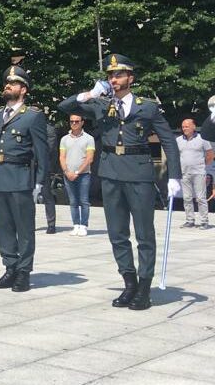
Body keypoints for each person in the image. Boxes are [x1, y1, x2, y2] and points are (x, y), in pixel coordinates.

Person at [59, 54, 181, 310]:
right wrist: (88, 95)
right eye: (111, 75)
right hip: (111, 173)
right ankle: (129, 283)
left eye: (119, 75)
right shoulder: (101, 105)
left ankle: (144, 288)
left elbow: (168, 140)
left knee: (144, 234)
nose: (114, 79)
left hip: (139, 175)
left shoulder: (146, 106)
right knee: (117, 233)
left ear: (130, 78)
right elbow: (65, 106)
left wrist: (174, 176)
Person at [0, 66, 48, 292]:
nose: (8, 86)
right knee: (2, 227)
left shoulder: (33, 116)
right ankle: (10, 267)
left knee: (24, 228)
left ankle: (23, 272)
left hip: (21, 176)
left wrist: (39, 182)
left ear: (24, 89)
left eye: (13, 83)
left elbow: (42, 152)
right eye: (6, 83)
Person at [59, 114, 96, 236]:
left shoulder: (89, 138)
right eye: (71, 121)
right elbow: (62, 156)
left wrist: (77, 172)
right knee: (73, 201)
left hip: (84, 174)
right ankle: (76, 225)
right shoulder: (64, 139)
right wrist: (66, 171)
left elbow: (89, 158)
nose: (74, 123)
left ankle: (84, 225)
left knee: (84, 201)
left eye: (76, 121)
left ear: (82, 122)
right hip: (68, 175)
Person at [176, 118, 213, 229]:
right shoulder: (178, 140)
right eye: (183, 127)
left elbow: (210, 155)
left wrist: (201, 165)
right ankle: (189, 220)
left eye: (187, 126)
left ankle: (204, 221)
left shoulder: (203, 138)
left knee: (201, 198)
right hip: (184, 173)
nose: (184, 128)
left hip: (199, 173)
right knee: (187, 198)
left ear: (193, 127)